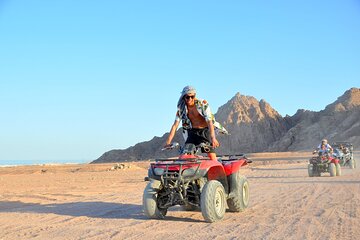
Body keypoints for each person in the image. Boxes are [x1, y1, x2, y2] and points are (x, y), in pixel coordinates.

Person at [165, 86, 228, 160]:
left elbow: (209, 121)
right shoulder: (181, 109)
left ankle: (217, 167)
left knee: (212, 157)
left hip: (204, 131)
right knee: (186, 155)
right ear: (183, 97)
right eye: (187, 97)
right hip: (192, 133)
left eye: (192, 96)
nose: (190, 99)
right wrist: (168, 142)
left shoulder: (202, 104)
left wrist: (213, 138)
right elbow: (175, 126)